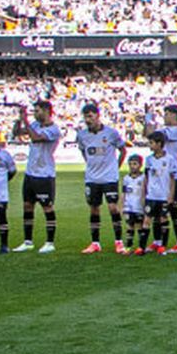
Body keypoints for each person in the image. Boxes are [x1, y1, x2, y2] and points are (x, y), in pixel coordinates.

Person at [75, 103, 128, 255]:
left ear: (98, 116)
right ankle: (95, 243)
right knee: (94, 208)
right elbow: (84, 152)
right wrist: (90, 165)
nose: (88, 120)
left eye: (90, 116)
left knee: (113, 208)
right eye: (85, 117)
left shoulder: (111, 133)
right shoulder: (82, 135)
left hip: (109, 178)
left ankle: (119, 242)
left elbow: (123, 150)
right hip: (92, 178)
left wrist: (115, 167)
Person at [11, 100, 62, 254]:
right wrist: (20, 119)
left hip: (44, 174)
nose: (35, 114)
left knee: (47, 207)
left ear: (47, 111)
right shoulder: (35, 125)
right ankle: (28, 241)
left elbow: (36, 138)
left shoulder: (53, 129)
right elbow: (17, 133)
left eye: (37, 110)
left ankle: (50, 242)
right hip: (30, 173)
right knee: (27, 206)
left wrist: (26, 121)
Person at [143, 131, 177, 254]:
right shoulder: (149, 159)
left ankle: (163, 245)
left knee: (163, 218)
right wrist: (144, 193)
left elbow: (173, 179)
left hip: (164, 195)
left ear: (159, 144)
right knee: (149, 219)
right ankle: (152, 243)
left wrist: (171, 195)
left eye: (151, 143)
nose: (149, 145)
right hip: (152, 195)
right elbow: (146, 178)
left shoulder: (169, 159)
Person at [120, 153, 149, 254]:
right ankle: (128, 247)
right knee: (129, 226)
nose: (132, 166)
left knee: (139, 225)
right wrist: (122, 206)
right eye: (130, 164)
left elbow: (146, 192)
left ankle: (141, 247)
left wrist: (145, 205)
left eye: (135, 164)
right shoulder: (126, 178)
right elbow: (123, 193)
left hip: (139, 206)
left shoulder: (144, 178)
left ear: (140, 165)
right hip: (128, 206)